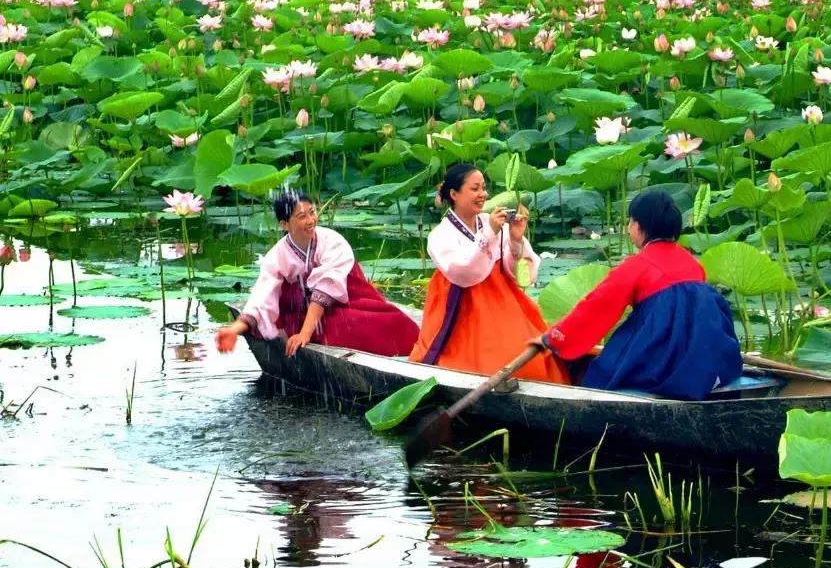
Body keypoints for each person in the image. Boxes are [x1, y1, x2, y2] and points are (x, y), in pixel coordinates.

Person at [537, 189, 742, 400]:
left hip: (662, 359)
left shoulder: (638, 265)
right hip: (711, 360)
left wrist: (554, 337)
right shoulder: (692, 263)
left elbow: (597, 307)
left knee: (603, 372)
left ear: (640, 226)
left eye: (630, 221)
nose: (628, 228)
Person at [409, 163, 570, 384]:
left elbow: (521, 275)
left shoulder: (489, 221)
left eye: (483, 188)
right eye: (474, 189)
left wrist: (515, 238)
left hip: (502, 297)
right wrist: (490, 233)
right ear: (454, 194)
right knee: (488, 358)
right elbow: (463, 273)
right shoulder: (440, 235)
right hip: (460, 304)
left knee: (529, 350)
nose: (483, 194)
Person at [216, 190, 419, 357]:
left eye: (312, 212)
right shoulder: (276, 256)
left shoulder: (332, 241)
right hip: (302, 316)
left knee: (393, 322)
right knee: (341, 328)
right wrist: (234, 329)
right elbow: (263, 297)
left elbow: (326, 287)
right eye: (301, 216)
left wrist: (305, 333)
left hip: (347, 302)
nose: (311, 220)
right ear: (284, 225)